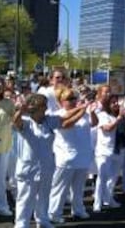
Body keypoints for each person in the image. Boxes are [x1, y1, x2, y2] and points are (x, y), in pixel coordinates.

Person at [12, 94, 89, 228]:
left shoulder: (48, 120)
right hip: (28, 168)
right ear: (36, 108)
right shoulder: (26, 122)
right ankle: (21, 224)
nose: (47, 108)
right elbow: (15, 121)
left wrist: (81, 108)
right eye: (44, 106)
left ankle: (42, 221)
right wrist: (20, 110)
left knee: (44, 196)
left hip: (46, 166)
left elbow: (65, 117)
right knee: (25, 199)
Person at [48, 87, 98, 223]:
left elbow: (94, 123)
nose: (73, 101)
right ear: (61, 102)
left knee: (78, 187)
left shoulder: (84, 112)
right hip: (66, 157)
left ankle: (78, 209)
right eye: (69, 99)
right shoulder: (58, 114)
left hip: (82, 155)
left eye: (74, 98)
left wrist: (91, 112)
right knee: (60, 188)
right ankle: (54, 213)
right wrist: (83, 109)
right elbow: (67, 124)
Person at [93, 95, 125, 212]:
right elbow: (107, 128)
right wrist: (119, 119)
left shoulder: (115, 116)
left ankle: (108, 199)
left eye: (116, 102)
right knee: (102, 177)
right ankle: (97, 203)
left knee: (112, 178)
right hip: (104, 151)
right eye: (113, 103)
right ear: (107, 105)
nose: (116, 104)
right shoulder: (102, 115)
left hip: (116, 150)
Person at [0, 73, 15, 216]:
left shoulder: (8, 102)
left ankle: (2, 206)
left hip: (4, 145)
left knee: (0, 179)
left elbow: (15, 118)